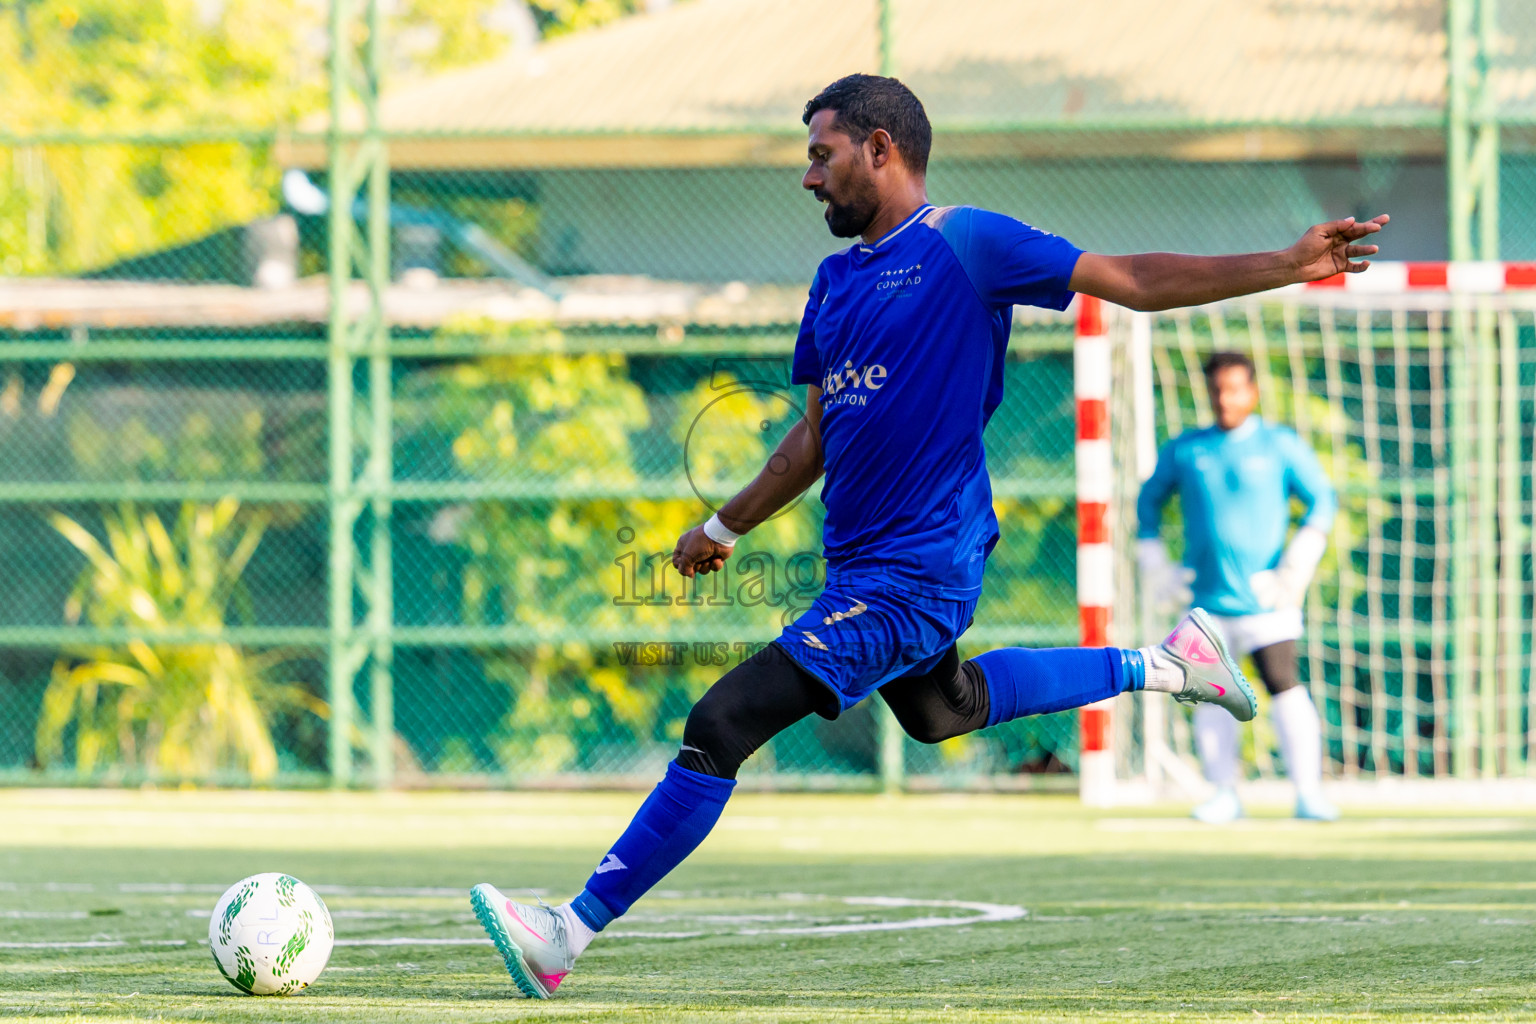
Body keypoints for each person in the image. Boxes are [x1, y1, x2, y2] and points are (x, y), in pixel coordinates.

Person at [468, 74, 1387, 998]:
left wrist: (1289, 262)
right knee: (942, 709)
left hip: (921, 566)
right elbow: (815, 438)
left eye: (822, 154)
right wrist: (722, 526)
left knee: (722, 722)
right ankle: (1166, 664)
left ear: (880, 148)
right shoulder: (833, 283)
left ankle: (567, 933)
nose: (808, 177)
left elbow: (1134, 282)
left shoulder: (968, 242)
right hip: (860, 568)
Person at [1136, 353, 1340, 823]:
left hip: (1267, 602)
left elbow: (1322, 500)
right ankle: (1223, 794)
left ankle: (1308, 794)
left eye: (1233, 389)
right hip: (1205, 605)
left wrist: (1298, 561)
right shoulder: (1187, 449)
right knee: (1209, 694)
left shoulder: (1279, 444)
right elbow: (1148, 504)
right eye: (1216, 390)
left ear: (1252, 392)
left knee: (1284, 687)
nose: (1224, 399)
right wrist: (1156, 563)